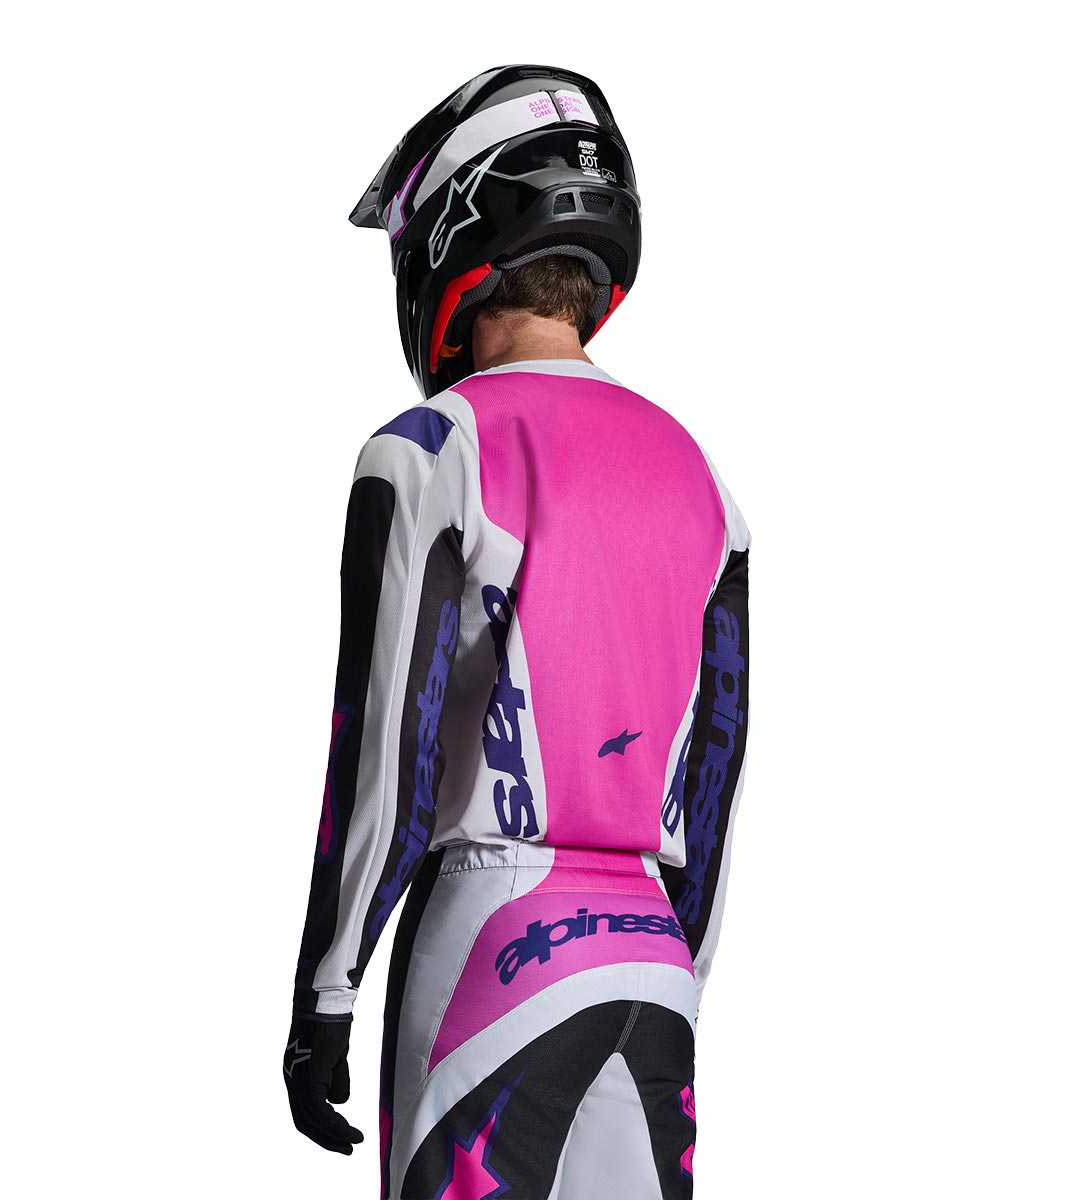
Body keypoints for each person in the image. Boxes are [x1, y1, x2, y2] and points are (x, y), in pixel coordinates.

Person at [282, 65, 750, 1200]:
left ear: (450, 237)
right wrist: (681, 967)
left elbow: (385, 746)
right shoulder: (704, 476)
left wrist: (325, 993)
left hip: (493, 938)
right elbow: (718, 766)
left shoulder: (430, 448)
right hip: (653, 956)